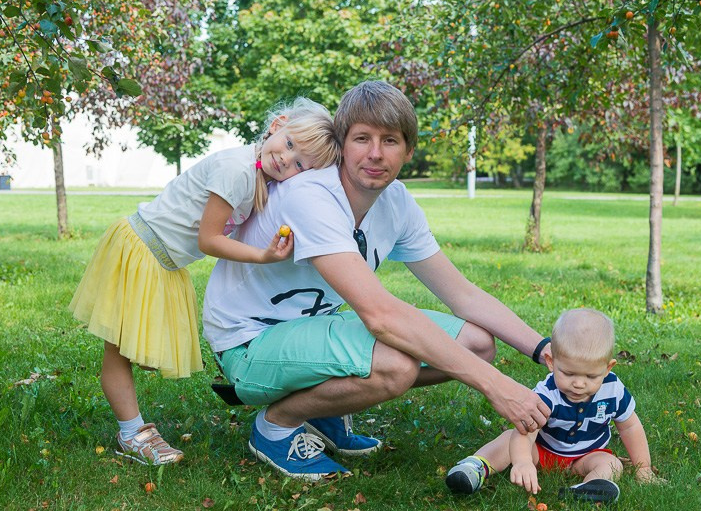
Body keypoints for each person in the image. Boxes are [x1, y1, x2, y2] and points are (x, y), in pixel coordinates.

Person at [202, 80, 552, 481]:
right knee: (396, 366)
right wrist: (496, 387)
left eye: (389, 140)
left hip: (309, 330)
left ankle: (321, 409)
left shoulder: (397, 202)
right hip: (248, 343)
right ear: (341, 144)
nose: (374, 154)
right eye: (361, 138)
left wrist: (543, 350)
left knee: (476, 345)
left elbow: (463, 295)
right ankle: (276, 426)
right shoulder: (310, 196)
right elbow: (380, 316)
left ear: (408, 150)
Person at [69, 98, 341, 465]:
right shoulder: (237, 170)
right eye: (291, 145)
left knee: (132, 348)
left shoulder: (258, 174)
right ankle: (132, 433)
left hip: (164, 261)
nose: (286, 160)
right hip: (142, 250)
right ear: (277, 124)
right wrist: (264, 256)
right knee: (119, 349)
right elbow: (209, 240)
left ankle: (132, 428)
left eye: (299, 165)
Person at [446, 308, 660, 503]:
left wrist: (644, 469)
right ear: (551, 362)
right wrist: (522, 462)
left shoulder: (613, 390)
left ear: (607, 368)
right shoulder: (547, 394)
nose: (578, 383)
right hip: (542, 452)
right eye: (568, 373)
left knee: (612, 464)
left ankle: (586, 487)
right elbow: (527, 433)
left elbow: (630, 426)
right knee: (509, 439)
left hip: (587, 456)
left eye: (591, 376)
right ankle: (475, 467)